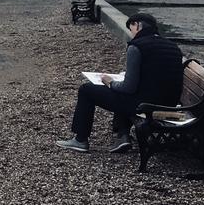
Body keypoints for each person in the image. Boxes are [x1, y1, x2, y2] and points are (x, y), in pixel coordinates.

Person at [55, 13, 183, 153]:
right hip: (169, 103)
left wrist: (109, 83)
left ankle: (80, 140)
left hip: (144, 106)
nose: (132, 33)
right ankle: (122, 136)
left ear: (138, 25)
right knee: (123, 92)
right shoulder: (173, 47)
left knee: (86, 90)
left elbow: (128, 87)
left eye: (131, 28)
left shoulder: (136, 47)